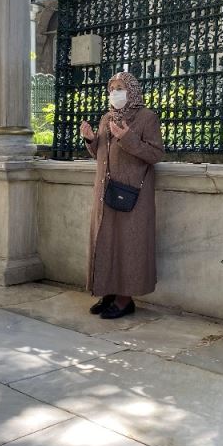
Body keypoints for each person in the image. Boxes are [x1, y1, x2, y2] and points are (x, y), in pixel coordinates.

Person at [80, 72, 164, 319]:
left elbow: (155, 154)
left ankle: (125, 299)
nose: (114, 92)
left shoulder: (147, 117)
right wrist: (90, 140)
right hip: (106, 192)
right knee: (106, 242)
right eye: (112, 88)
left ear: (132, 91)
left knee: (129, 245)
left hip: (133, 195)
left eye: (120, 88)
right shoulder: (107, 117)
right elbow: (101, 154)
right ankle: (108, 292)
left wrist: (126, 137)